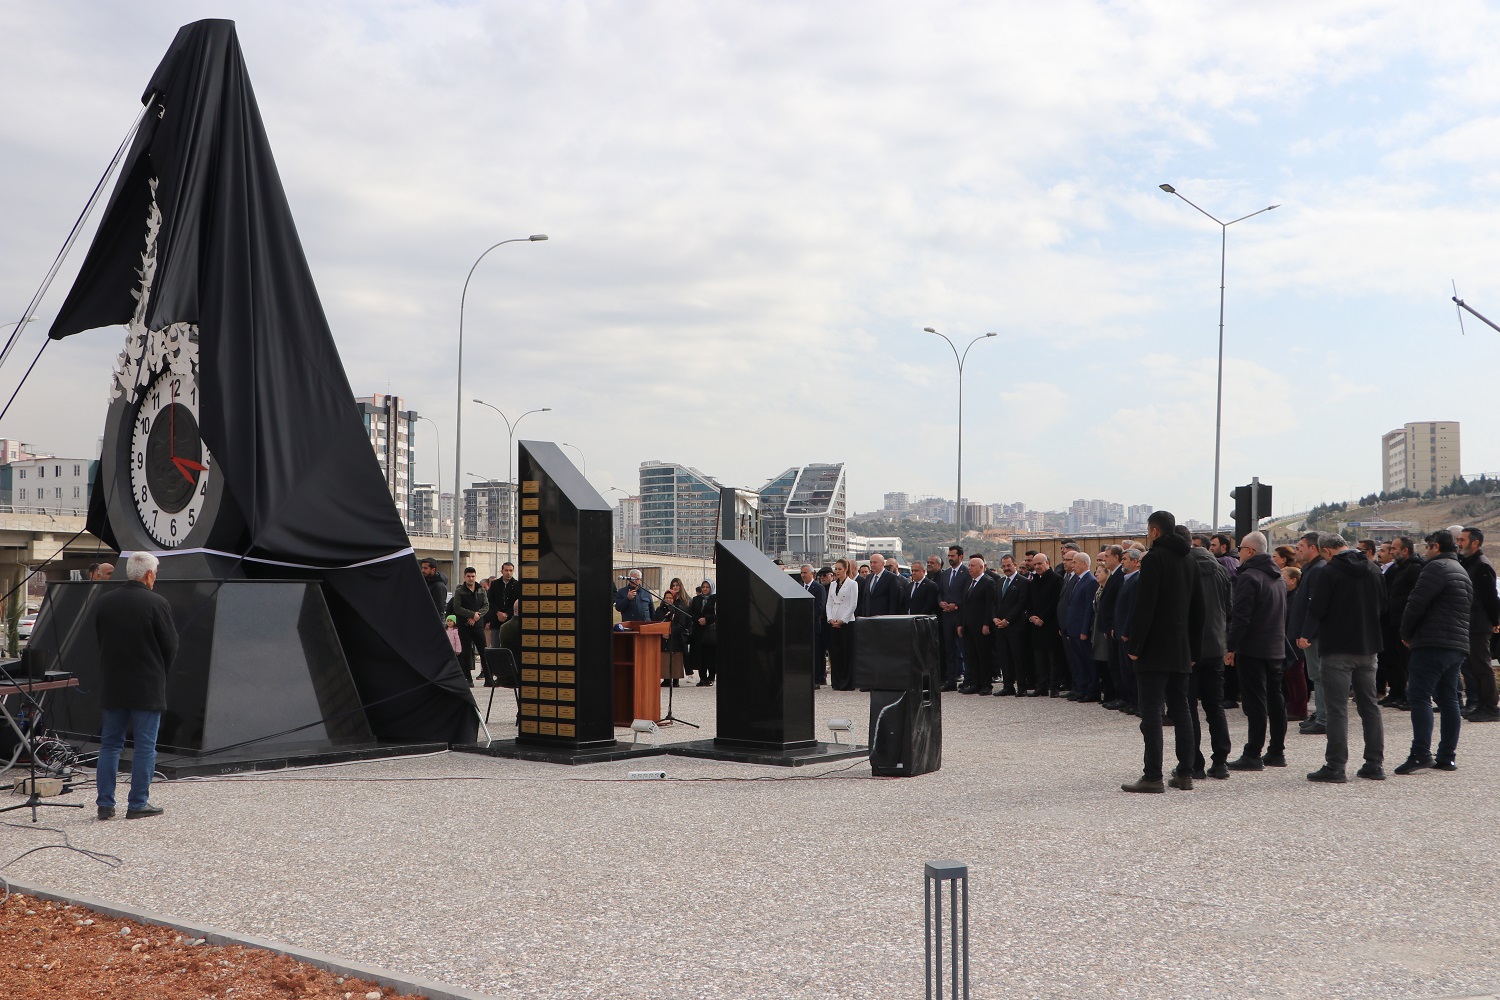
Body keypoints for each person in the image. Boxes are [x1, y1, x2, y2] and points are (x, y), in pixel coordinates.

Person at [1122, 511, 1204, 793]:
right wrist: (1194, 649)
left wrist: (1135, 645)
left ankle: (1153, 775)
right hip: (1181, 648)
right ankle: (1185, 773)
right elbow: (1198, 610)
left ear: (1155, 531)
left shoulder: (1154, 559)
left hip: (1155, 649)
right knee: (1182, 711)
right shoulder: (1190, 560)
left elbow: (1146, 606)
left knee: (1153, 712)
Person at [93, 550, 177, 820]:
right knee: (144, 747)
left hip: (113, 683)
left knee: (110, 745)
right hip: (147, 685)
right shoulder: (157, 603)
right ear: (149, 574)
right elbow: (170, 646)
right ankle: (138, 803)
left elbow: (99, 639)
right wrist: (159, 670)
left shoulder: (105, 602)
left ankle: (105, 804)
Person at [1299, 533, 1385, 782]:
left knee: (1337, 710)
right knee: (1370, 707)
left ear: (1325, 551)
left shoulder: (1329, 572)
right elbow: (1384, 605)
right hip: (1368, 647)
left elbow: (1317, 609)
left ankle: (1336, 766)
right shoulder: (1373, 568)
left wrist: (1306, 634)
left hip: (1337, 648)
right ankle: (1374, 764)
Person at [1396, 530, 1472, 774]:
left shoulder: (1435, 568)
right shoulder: (1461, 570)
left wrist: (1405, 633)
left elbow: (1416, 603)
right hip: (1456, 644)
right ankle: (1447, 756)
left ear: (1436, 547)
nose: (1425, 552)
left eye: (1428, 547)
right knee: (1449, 698)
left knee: (1419, 696)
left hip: (1432, 642)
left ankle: (1420, 753)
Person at [1225, 531, 1289, 772]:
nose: (1238, 552)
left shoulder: (1249, 577)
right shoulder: (1278, 577)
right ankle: (1276, 751)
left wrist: (1231, 646)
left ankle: (1253, 753)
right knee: (1275, 699)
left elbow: (1241, 617)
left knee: (1256, 701)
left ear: (1250, 551)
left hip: (1253, 648)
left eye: (1240, 548)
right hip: (1275, 646)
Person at [1186, 528, 1231, 777]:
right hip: (1215, 645)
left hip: (1190, 649)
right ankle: (1221, 761)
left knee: (1189, 706)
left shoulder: (1185, 570)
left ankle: (1195, 762)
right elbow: (1229, 608)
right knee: (1215, 706)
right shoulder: (1221, 571)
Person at [1456, 527, 1500, 722]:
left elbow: (1490, 597)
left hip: (1479, 624)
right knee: (1475, 666)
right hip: (1470, 623)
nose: (1459, 543)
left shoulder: (1481, 565)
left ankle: (1490, 706)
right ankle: (1482, 704)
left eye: (1462, 540)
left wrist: (1495, 621)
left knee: (1482, 666)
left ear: (1475, 543)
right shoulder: (1469, 563)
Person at [1289, 532, 1329, 735]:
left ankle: (1324, 718)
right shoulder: (1312, 569)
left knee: (1319, 676)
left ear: (1313, 548)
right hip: (1310, 633)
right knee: (1316, 675)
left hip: (1314, 635)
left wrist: (1306, 633)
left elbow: (1315, 605)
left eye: (1300, 547)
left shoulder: (1318, 570)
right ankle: (1321, 715)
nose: (1297, 551)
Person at [1381, 536, 1424, 710]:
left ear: (1404, 550)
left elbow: (1416, 598)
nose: (1391, 552)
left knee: (1406, 660)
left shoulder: (1414, 568)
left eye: (1393, 548)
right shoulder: (1396, 568)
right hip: (1392, 622)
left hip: (1405, 622)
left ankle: (1409, 695)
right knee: (1393, 659)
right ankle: (1396, 692)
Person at [956, 555, 998, 695]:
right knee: (972, 657)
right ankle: (975, 683)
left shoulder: (988, 582)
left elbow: (990, 606)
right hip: (969, 626)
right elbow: (965, 605)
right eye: (969, 566)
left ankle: (986, 684)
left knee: (983, 656)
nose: (970, 568)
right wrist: (961, 624)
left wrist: (987, 624)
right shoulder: (969, 582)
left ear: (981, 567)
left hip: (981, 627)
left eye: (972, 566)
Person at [990, 553, 1030, 696]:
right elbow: (994, 603)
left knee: (1017, 657)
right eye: (1004, 566)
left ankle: (1022, 687)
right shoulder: (1000, 582)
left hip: (1015, 626)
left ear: (1014, 565)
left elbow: (1021, 604)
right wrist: (994, 618)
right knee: (1004, 657)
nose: (1006, 568)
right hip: (1000, 626)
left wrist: (1007, 620)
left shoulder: (1023, 582)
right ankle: (1008, 686)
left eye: (1009, 565)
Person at [1026, 553, 1065, 696]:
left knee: (1053, 658)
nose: (1037, 567)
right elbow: (1028, 602)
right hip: (1036, 625)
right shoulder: (1034, 581)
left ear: (1047, 563)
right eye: (1035, 564)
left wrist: (1042, 618)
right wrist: (1031, 617)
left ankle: (1054, 687)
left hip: (1050, 625)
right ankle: (1041, 685)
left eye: (1039, 564)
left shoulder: (1056, 580)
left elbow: (1055, 602)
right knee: (1039, 658)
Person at [1065, 551, 1099, 702]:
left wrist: (1085, 630)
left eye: (1075, 562)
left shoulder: (1090, 581)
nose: (1072, 565)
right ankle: (1081, 688)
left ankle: (1091, 691)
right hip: (1073, 628)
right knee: (1078, 661)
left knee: (1087, 661)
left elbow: (1088, 608)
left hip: (1081, 630)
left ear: (1084, 564)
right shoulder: (1078, 580)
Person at [447, 567, 488, 684]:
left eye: (473, 576)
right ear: (464, 577)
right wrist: (471, 615)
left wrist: (477, 616)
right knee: (466, 652)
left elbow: (486, 606)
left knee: (483, 651)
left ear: (475, 576)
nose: (471, 578)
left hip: (478, 624)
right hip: (464, 625)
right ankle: (468, 678)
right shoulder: (460, 591)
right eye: (468, 576)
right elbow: (457, 608)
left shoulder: (481, 590)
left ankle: (488, 678)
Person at [937, 545, 968, 689]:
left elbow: (967, 594)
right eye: (949, 556)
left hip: (960, 616)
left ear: (960, 557)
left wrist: (956, 605)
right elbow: (940, 592)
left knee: (963, 649)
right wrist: (941, 602)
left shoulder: (966, 572)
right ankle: (951, 680)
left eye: (953, 556)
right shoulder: (945, 574)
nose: (950, 558)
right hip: (947, 617)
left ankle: (968, 678)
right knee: (949, 649)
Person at [825, 558, 859, 690]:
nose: (837, 571)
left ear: (846, 569)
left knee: (846, 652)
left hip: (847, 622)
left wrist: (842, 620)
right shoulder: (833, 585)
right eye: (836, 569)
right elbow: (829, 603)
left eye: (839, 569)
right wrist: (830, 618)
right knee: (835, 653)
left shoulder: (852, 584)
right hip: (833, 620)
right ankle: (837, 682)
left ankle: (847, 682)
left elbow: (853, 604)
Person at [1281, 567, 1308, 720]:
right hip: (1287, 639)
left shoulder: (1296, 596)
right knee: (1290, 675)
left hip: (1294, 641)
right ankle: (1292, 705)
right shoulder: (1288, 595)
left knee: (1296, 675)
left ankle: (1299, 709)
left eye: (1284, 578)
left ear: (1293, 580)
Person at [654, 577, 690, 687]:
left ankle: (675, 680)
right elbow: (656, 622)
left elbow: (681, 625)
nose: (668, 599)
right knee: (665, 659)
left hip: (676, 638)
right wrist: (662, 632)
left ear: (674, 599)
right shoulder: (659, 610)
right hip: (663, 638)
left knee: (675, 659)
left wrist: (669, 632)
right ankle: (666, 679)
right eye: (666, 597)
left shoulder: (679, 609)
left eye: (670, 598)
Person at [799, 564, 829, 688]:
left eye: (805, 572)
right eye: (801, 573)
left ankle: (817, 679)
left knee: (816, 653)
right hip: (802, 627)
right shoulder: (799, 587)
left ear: (812, 574)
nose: (803, 575)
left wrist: (808, 618)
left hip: (814, 625)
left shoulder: (818, 588)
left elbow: (820, 607)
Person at [688, 580, 718, 686]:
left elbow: (717, 614)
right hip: (698, 631)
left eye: (707, 587)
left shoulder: (715, 599)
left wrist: (706, 619)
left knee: (711, 655)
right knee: (700, 656)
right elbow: (691, 612)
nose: (705, 589)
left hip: (710, 632)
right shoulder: (696, 599)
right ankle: (702, 678)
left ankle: (711, 677)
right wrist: (698, 620)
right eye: (703, 587)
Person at [486, 562, 522, 649]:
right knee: (495, 647)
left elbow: (517, 602)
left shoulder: (517, 585)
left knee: (510, 647)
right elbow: (490, 601)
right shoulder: (495, 584)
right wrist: (498, 613)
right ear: (502, 571)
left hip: (511, 621)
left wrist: (507, 614)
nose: (508, 573)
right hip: (496, 620)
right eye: (506, 570)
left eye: (510, 570)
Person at [859, 553, 902, 617]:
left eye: (875, 562)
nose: (872, 565)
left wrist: (891, 617)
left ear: (883, 563)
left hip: (883, 617)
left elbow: (894, 600)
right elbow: (865, 598)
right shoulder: (869, 577)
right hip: (868, 617)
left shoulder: (891, 577)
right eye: (871, 562)